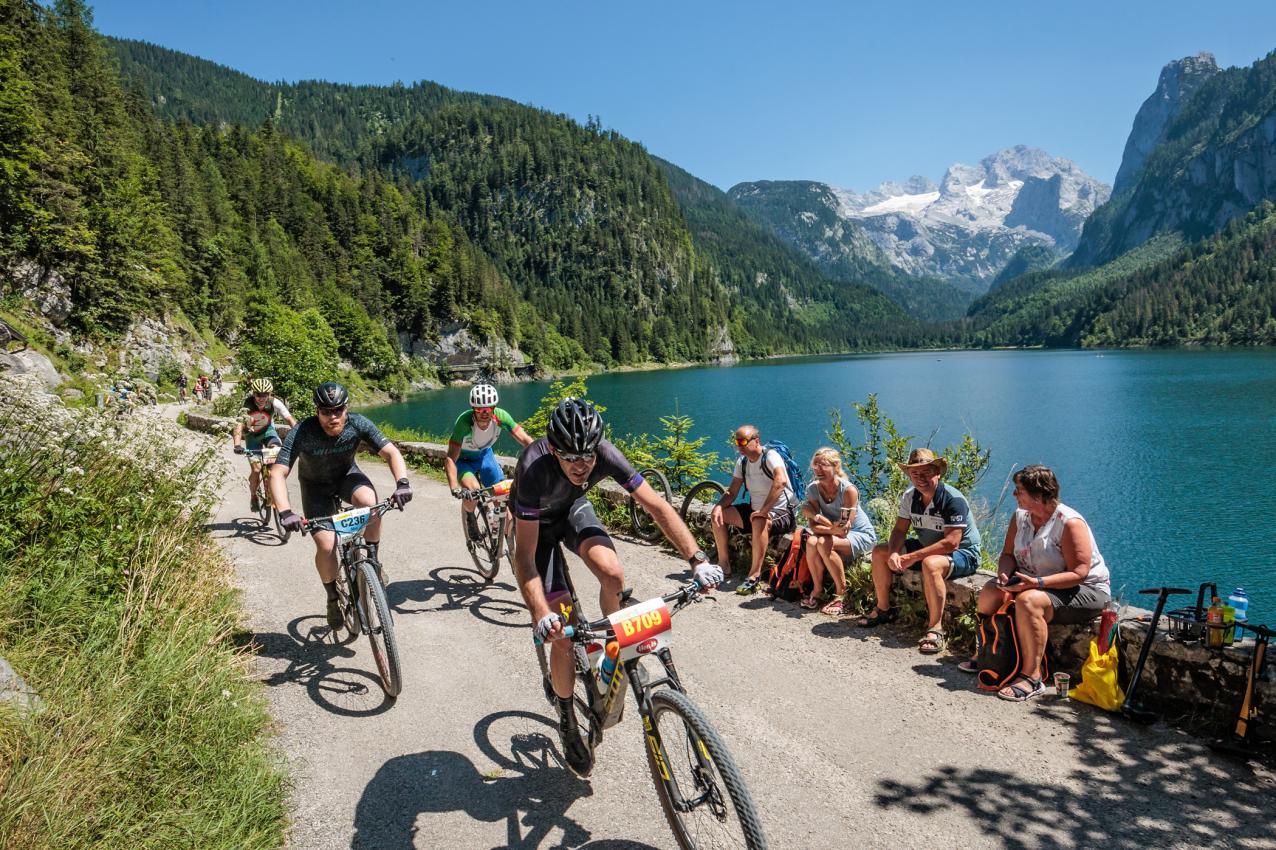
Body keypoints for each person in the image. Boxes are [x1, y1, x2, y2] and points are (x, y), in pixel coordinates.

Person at [513, 398, 723, 777]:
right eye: (571, 458)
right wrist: (540, 613)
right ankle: (566, 716)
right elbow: (524, 557)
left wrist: (697, 559)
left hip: (572, 510)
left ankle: (616, 647)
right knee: (562, 635)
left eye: (588, 457)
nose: (582, 466)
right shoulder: (532, 467)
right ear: (554, 451)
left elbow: (657, 507)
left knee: (613, 575)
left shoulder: (605, 454)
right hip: (537, 532)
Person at [959, 464, 1112, 701]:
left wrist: (1037, 583)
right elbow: (1007, 555)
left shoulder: (1069, 523)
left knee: (1030, 601)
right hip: (1035, 582)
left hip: (1085, 590)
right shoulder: (1021, 517)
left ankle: (1032, 676)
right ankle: (987, 654)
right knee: (990, 591)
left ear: (1039, 495)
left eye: (1019, 490)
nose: (1014, 495)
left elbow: (1079, 573)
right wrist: (1003, 574)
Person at [272, 382, 413, 631]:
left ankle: (372, 560)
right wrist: (285, 511)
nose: (332, 417)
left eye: (338, 410)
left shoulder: (358, 423)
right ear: (317, 411)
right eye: (326, 411)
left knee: (372, 505)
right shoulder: (303, 431)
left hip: (348, 477)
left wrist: (402, 483)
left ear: (346, 408)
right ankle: (332, 598)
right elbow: (278, 473)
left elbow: (391, 452)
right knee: (327, 545)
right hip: (315, 487)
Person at [857, 448, 982, 655]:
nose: (920, 478)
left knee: (930, 563)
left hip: (964, 553)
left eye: (925, 472)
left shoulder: (952, 499)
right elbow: (899, 530)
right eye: (915, 473)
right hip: (928, 548)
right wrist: (896, 552)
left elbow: (952, 542)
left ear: (937, 472)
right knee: (880, 552)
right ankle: (883, 609)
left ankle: (936, 629)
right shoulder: (910, 497)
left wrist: (911, 556)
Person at [709, 425, 796, 595]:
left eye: (743, 441)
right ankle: (724, 565)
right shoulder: (742, 462)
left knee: (758, 519)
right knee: (718, 515)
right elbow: (732, 492)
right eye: (737, 442)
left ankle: (754, 575)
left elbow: (780, 481)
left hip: (781, 513)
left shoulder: (770, 456)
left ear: (756, 441)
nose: (739, 446)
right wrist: (718, 506)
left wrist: (764, 511)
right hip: (756, 511)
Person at [445, 382, 533, 540]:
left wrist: (543, 457)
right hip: (464, 461)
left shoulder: (500, 416)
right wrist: (454, 486)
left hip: (485, 456)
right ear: (473, 409)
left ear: (494, 407)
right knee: (473, 490)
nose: (485, 413)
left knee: (503, 498)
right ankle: (470, 517)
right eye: (480, 409)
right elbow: (451, 457)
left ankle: (508, 543)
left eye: (489, 408)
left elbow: (526, 440)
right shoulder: (464, 423)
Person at [798, 447, 877, 616]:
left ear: (835, 466)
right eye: (815, 465)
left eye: (823, 465)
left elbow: (843, 529)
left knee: (821, 542)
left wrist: (825, 526)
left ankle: (842, 595)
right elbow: (813, 526)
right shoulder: (813, 489)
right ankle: (817, 590)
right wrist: (824, 523)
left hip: (860, 534)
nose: (818, 469)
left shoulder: (848, 490)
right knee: (812, 541)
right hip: (831, 533)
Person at [231, 377, 298, 514]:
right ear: (253, 393)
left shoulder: (275, 403)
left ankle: (273, 484)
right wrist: (237, 444)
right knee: (256, 470)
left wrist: (300, 436)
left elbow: (289, 419)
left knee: (275, 456)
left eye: (265, 394)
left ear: (270, 394)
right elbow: (238, 425)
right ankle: (253, 496)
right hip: (252, 436)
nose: (261, 398)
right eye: (258, 394)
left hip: (268, 433)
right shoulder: (247, 404)